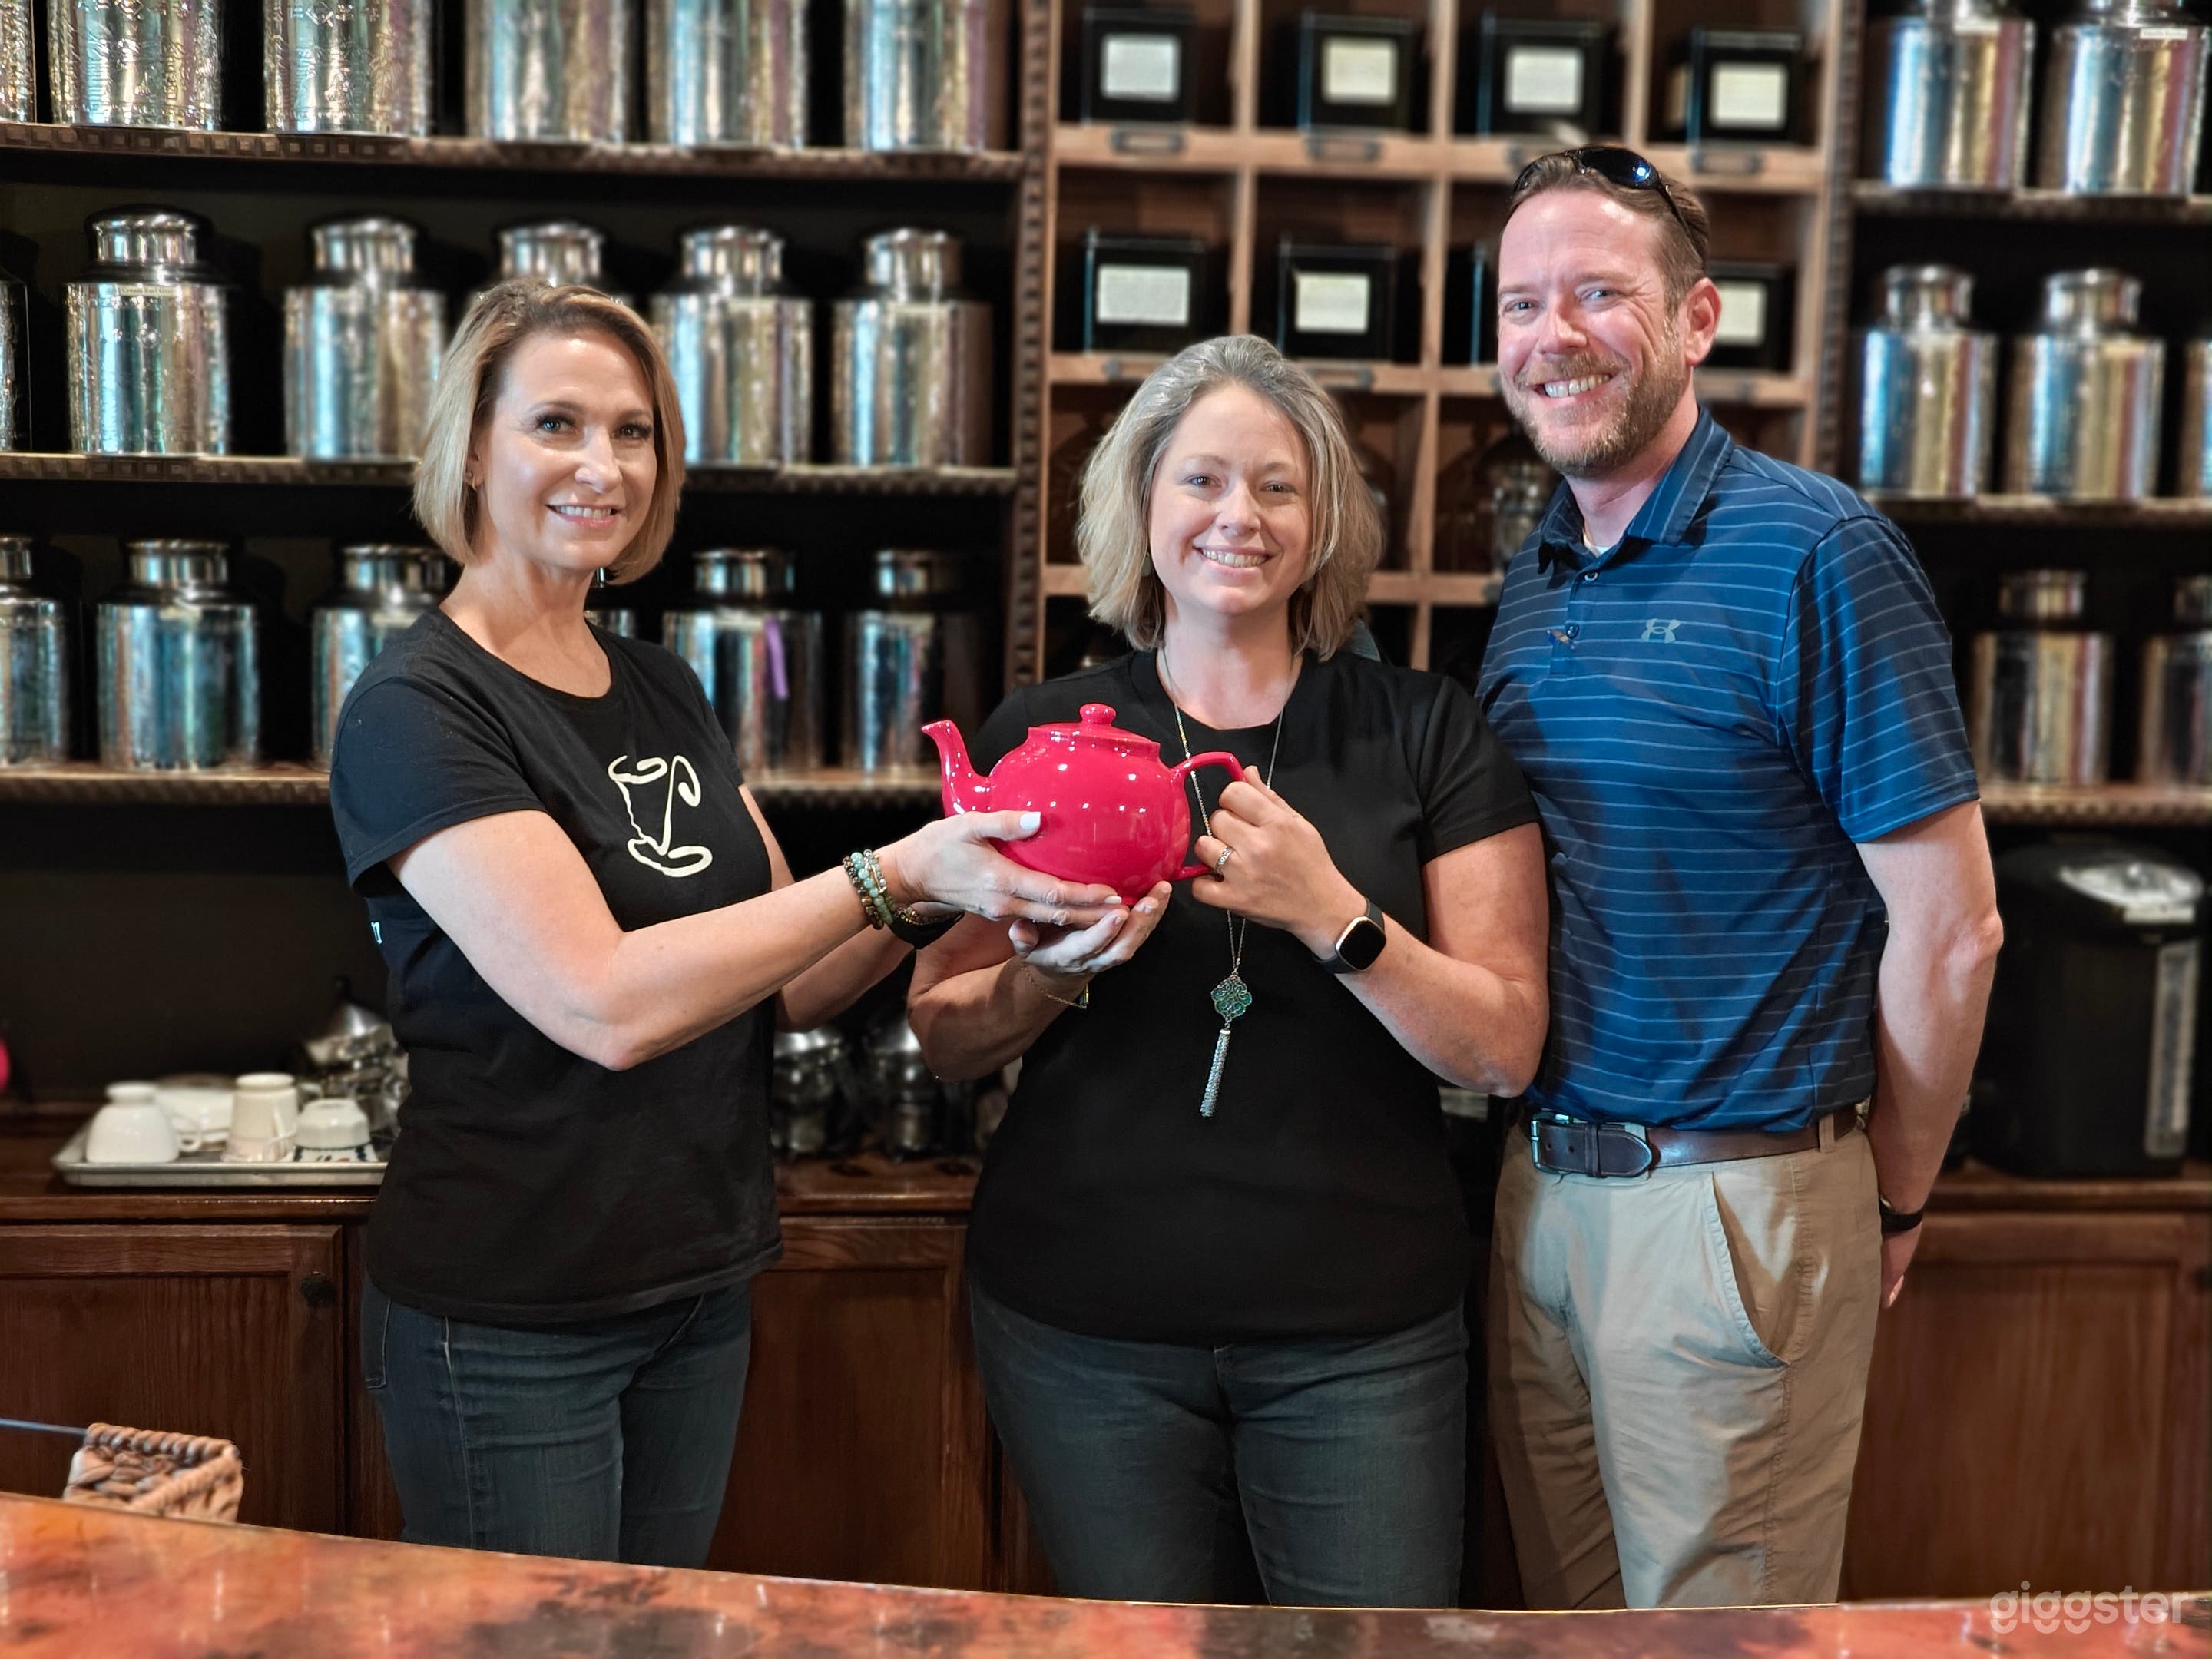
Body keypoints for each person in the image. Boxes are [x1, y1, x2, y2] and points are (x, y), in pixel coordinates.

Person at [327, 281, 1119, 1567]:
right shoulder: (418, 710)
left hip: (692, 1279)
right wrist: (892, 871)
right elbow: (605, 1004)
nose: (603, 465)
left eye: (634, 432)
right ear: (473, 448)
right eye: (558, 426)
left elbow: (789, 979)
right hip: (516, 1304)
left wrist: (958, 878)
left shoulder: (658, 681)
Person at [906, 334, 1549, 1608]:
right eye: (1201, 481)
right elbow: (943, 1031)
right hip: (1082, 1328)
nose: (1237, 518)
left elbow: (1504, 1046)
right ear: (1142, 506)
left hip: (1361, 1341)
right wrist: (1045, 980)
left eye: (1277, 486)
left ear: (1322, 524)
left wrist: (1335, 918)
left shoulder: (1426, 731)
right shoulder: (1042, 737)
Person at [1473, 148, 2005, 1610]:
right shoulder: (1538, 578)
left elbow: (1953, 934)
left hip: (1735, 1201)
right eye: (1522, 303)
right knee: (1565, 1635)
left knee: (1718, 1645)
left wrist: (1884, 1198)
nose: (1553, 335)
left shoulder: (1817, 552)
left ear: (1699, 321)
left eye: (1599, 293)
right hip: (1543, 1197)